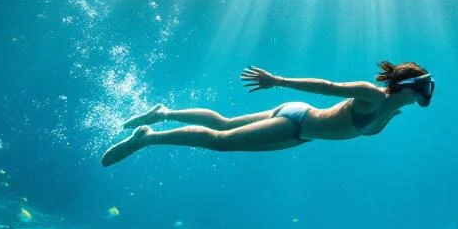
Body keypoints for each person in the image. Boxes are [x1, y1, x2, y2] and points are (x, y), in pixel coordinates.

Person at [100, 61, 434, 166]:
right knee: (221, 141)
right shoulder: (372, 95)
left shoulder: (392, 112)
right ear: (405, 86)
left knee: (223, 124)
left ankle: (163, 112)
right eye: (423, 87)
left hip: (300, 132)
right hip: (297, 121)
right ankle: (148, 137)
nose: (425, 95)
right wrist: (277, 81)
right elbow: (326, 86)